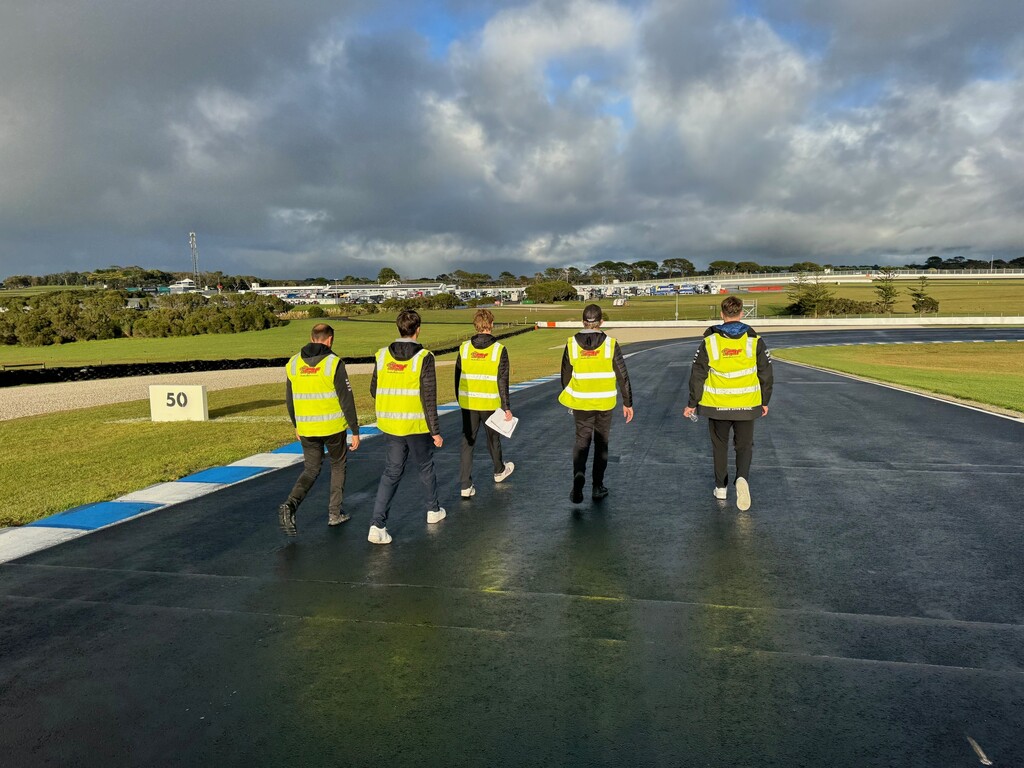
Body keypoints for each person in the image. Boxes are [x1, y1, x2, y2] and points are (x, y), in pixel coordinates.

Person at [683, 295, 773, 511]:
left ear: (722, 314)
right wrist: (764, 400)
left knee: (719, 446)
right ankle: (742, 478)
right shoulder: (755, 340)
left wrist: (692, 403)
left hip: (717, 405)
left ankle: (721, 487)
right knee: (744, 446)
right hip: (747, 404)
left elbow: (698, 374)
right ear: (741, 313)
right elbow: (766, 374)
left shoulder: (709, 341)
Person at [368, 309, 445, 544]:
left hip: (390, 424)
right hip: (415, 424)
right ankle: (433, 510)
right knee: (425, 467)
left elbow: (374, 389)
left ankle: (377, 524)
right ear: (418, 329)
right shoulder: (424, 357)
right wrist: (436, 431)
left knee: (391, 472)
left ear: (399, 328)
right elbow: (428, 396)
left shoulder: (382, 355)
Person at [278, 323, 360, 536]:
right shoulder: (333, 363)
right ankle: (334, 514)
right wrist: (355, 430)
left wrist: (296, 424)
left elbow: (289, 399)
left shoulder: (294, 363)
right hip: (332, 427)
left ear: (311, 337)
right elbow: (346, 399)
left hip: (306, 427)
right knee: (338, 466)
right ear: (330, 340)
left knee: (311, 469)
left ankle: (291, 504)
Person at [558, 304, 634, 503]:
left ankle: (578, 474)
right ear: (601, 322)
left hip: (581, 402)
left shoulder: (571, 343)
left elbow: (565, 375)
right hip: (604, 402)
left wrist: (570, 398)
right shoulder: (610, 343)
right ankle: (597, 486)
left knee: (582, 441)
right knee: (601, 444)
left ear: (583, 321)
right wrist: (628, 402)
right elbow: (622, 374)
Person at [455, 309, 515, 498]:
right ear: (491, 325)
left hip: (469, 402)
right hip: (490, 403)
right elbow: (502, 380)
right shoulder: (499, 349)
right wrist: (506, 407)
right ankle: (498, 471)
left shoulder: (464, 348)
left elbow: (457, 376)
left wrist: (460, 399)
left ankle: (465, 485)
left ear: (476, 325)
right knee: (493, 439)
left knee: (467, 442)